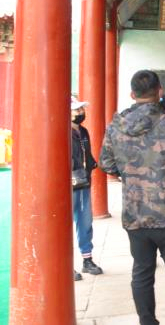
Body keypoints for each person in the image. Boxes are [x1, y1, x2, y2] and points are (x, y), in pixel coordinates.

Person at [99, 70, 165, 325]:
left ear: (132, 94)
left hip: (136, 213)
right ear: (160, 91)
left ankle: (147, 321)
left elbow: (106, 163)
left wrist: (131, 173)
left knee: (142, 272)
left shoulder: (116, 126)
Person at [70, 97, 103, 281]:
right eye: (77, 110)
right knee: (65, 225)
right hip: (68, 185)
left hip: (83, 182)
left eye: (81, 109)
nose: (81, 113)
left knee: (85, 221)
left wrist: (91, 166)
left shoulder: (83, 131)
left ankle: (87, 259)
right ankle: (66, 264)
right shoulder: (62, 131)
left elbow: (87, 155)